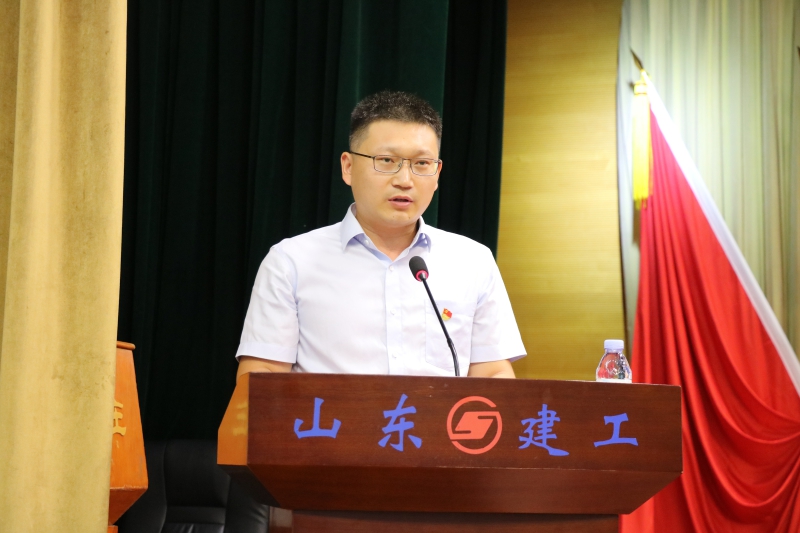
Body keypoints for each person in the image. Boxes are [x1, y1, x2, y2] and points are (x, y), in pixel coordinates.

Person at [236, 91, 525, 379]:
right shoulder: (291, 262)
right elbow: (261, 378)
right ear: (348, 167)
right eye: (386, 160)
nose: (404, 180)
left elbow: (493, 375)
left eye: (421, 164)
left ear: (437, 173)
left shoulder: (473, 261)